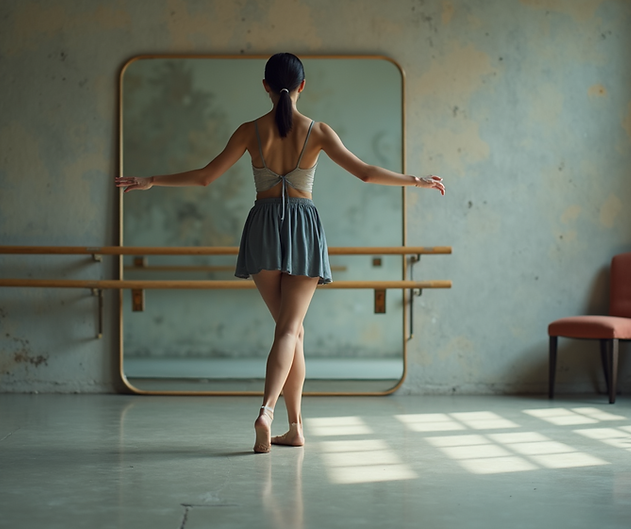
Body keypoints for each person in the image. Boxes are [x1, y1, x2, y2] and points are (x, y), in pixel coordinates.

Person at [116, 53, 444, 453]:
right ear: (303, 86)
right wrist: (417, 180)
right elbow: (365, 172)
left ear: (266, 86)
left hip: (263, 228)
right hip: (304, 227)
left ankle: (296, 428)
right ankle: (267, 410)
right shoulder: (318, 131)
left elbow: (205, 177)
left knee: (294, 332)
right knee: (290, 330)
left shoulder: (250, 131)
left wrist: (150, 179)